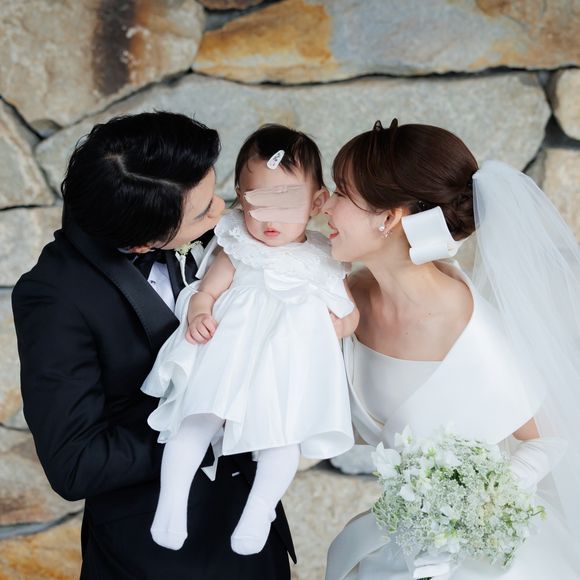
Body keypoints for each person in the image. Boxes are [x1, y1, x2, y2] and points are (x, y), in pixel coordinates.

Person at [12, 112, 295, 579]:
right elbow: (75, 464)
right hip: (154, 558)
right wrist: (208, 429)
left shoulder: (214, 229)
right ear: (145, 242)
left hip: (255, 534)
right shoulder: (54, 295)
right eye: (202, 214)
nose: (221, 212)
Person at [323, 120, 580, 579]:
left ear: (388, 218)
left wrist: (477, 508)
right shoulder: (344, 295)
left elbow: (548, 437)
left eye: (341, 192)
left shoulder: (466, 329)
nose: (324, 204)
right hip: (395, 542)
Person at [141, 124, 358, 557]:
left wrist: (338, 328)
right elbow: (206, 291)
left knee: (283, 437)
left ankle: (259, 511)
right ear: (241, 198)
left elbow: (349, 311)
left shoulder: (323, 257)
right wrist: (200, 313)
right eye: (257, 203)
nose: (269, 220)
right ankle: (172, 503)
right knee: (196, 419)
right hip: (230, 351)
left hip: (284, 364)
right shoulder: (239, 244)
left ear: (317, 202)